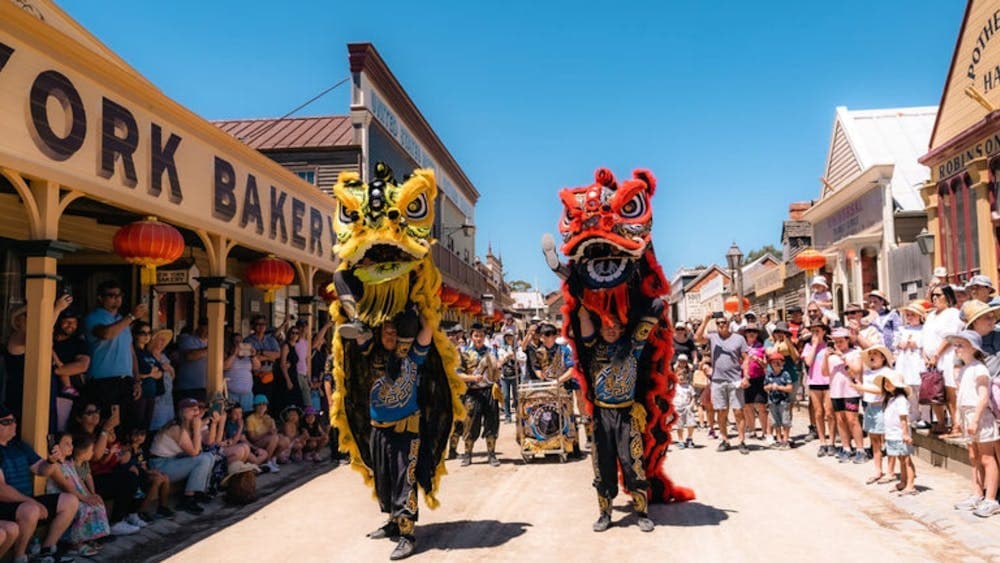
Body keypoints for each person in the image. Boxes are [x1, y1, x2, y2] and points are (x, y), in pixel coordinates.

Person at [359, 308, 435, 560]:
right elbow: (357, 331)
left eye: (395, 331)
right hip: (378, 429)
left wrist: (421, 303)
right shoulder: (372, 353)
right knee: (384, 480)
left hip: (406, 430)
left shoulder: (413, 356)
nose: (390, 335)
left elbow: (427, 330)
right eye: (386, 331)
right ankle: (393, 522)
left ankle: (407, 535)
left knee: (405, 480)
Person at [576, 304, 656, 533]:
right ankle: (605, 514)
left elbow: (653, 314)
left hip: (627, 414)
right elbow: (583, 322)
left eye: (616, 326)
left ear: (622, 329)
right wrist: (581, 305)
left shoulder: (633, 347)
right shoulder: (592, 348)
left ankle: (641, 512)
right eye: (607, 326)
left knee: (633, 462)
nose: (611, 330)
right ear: (600, 329)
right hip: (602, 415)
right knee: (602, 465)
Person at [0, 404, 79, 563]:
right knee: (31, 509)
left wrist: (51, 461)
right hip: (6, 504)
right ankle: (20, 557)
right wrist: (31, 501)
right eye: (7, 422)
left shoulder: (20, 446)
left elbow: (41, 470)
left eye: (14, 420)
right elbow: (1, 490)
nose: (14, 424)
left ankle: (47, 549)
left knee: (70, 501)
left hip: (26, 503)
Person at [949, 331, 999, 517]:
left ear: (973, 347)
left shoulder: (979, 368)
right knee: (974, 456)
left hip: (979, 415)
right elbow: (959, 395)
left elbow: (983, 396)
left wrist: (976, 418)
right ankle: (977, 493)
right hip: (966, 414)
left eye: (961, 345)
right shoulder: (964, 369)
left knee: (987, 457)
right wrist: (957, 417)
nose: (956, 349)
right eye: (956, 345)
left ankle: (991, 498)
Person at [84, 280, 145, 428]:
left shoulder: (122, 320)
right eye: (111, 295)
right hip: (103, 380)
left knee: (127, 425)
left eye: (119, 295)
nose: (116, 299)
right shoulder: (93, 317)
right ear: (100, 298)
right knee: (107, 424)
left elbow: (131, 352)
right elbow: (106, 334)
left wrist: (137, 380)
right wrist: (131, 317)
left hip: (125, 379)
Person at [148, 398, 216, 514]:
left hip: (171, 461)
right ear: (182, 412)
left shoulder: (187, 426)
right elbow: (195, 452)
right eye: (192, 410)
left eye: (197, 410)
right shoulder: (176, 427)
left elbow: (199, 449)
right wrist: (197, 430)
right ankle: (187, 499)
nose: (196, 413)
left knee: (209, 456)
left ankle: (198, 492)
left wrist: (199, 428)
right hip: (159, 465)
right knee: (203, 459)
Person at [45, 433, 110, 556]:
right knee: (83, 508)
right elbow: (66, 487)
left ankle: (87, 538)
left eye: (71, 444)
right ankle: (75, 544)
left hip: (76, 495)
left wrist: (90, 494)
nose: (71, 447)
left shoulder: (69, 463)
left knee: (97, 504)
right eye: (67, 444)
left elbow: (79, 480)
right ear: (56, 447)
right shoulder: (55, 466)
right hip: (63, 497)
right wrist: (84, 498)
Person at [695, 312, 749, 455]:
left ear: (728, 323)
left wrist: (746, 376)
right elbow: (697, 338)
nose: (721, 325)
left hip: (735, 380)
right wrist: (706, 320)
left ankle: (741, 440)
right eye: (718, 323)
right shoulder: (713, 338)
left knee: (738, 411)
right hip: (718, 381)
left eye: (723, 322)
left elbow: (746, 358)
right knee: (721, 411)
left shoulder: (738, 339)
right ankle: (724, 440)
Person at [456, 323, 502, 467]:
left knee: (492, 422)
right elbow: (458, 374)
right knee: (470, 423)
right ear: (471, 336)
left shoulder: (491, 352)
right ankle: (468, 454)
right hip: (473, 393)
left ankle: (492, 454)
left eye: (481, 335)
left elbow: (497, 370)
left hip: (489, 391)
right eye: (476, 335)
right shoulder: (464, 354)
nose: (479, 338)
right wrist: (472, 378)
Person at [923, 285, 963, 435]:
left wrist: (936, 355)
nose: (935, 298)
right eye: (933, 295)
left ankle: (956, 424)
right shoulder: (931, 315)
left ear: (947, 296)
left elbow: (950, 337)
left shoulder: (953, 313)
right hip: (931, 360)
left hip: (947, 356)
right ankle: (940, 422)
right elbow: (925, 337)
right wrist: (925, 354)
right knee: (933, 391)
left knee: (949, 390)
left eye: (938, 295)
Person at [855, 346, 895, 485]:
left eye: (875, 354)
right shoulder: (867, 373)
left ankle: (890, 471)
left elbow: (882, 390)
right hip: (870, 407)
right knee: (875, 441)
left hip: (882, 408)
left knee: (888, 440)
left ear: (883, 357)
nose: (872, 356)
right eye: (870, 354)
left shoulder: (887, 372)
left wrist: (861, 388)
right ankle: (878, 470)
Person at [825, 328, 865, 464]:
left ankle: (860, 449)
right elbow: (825, 373)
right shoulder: (831, 357)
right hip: (836, 391)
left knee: (852, 419)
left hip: (851, 391)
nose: (838, 344)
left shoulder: (856, 353)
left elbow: (857, 370)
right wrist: (826, 357)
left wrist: (843, 357)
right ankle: (846, 447)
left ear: (847, 340)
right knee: (840, 420)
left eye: (841, 341)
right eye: (836, 342)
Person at [877, 371, 916, 496]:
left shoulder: (900, 399)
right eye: (885, 382)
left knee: (907, 460)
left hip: (900, 434)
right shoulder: (890, 399)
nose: (887, 384)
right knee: (901, 459)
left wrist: (905, 434)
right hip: (892, 434)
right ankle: (903, 481)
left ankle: (911, 485)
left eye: (890, 382)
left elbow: (903, 418)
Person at [51, 309, 90, 433]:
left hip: (69, 395)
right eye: (66, 322)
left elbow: (82, 365)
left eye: (73, 322)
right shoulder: (49, 339)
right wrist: (65, 370)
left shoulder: (78, 343)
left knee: (63, 429)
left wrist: (58, 371)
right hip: (46, 389)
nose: (70, 325)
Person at [120, 428, 173, 520]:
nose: (139, 437)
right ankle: (140, 511)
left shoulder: (140, 450)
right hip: (132, 476)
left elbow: (143, 466)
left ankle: (162, 507)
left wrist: (152, 472)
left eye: (142, 435)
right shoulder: (126, 448)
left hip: (142, 474)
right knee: (157, 480)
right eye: (136, 434)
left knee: (164, 477)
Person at [803, 321, 835, 457]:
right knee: (818, 412)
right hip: (814, 381)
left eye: (817, 330)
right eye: (813, 330)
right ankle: (822, 442)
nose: (815, 333)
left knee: (829, 412)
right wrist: (815, 345)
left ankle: (832, 442)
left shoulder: (829, 346)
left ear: (824, 331)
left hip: (828, 382)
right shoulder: (808, 346)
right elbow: (808, 362)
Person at [894, 302, 927, 428]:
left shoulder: (924, 329)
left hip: (917, 361)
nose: (910, 317)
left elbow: (924, 344)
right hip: (905, 362)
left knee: (921, 390)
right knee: (909, 390)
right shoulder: (902, 329)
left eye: (913, 314)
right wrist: (900, 344)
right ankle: (914, 414)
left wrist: (915, 344)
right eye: (908, 315)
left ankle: (925, 417)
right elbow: (895, 343)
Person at [132, 322, 163, 432]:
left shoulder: (148, 353)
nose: (146, 336)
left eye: (149, 333)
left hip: (151, 393)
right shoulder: (133, 352)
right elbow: (132, 373)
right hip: (139, 393)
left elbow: (160, 373)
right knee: (136, 425)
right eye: (143, 333)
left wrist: (150, 374)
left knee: (146, 426)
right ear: (135, 335)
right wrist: (150, 374)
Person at [740, 325, 768, 441]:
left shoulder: (761, 347)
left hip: (759, 378)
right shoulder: (741, 348)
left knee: (761, 406)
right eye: (749, 331)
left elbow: (766, 365)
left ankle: (765, 432)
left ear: (757, 334)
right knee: (747, 406)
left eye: (754, 332)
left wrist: (760, 361)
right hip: (746, 378)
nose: (751, 333)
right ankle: (752, 430)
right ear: (745, 334)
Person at [244, 315, 281, 401]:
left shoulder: (271, 340)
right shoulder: (248, 340)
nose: (261, 326)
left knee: (269, 401)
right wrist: (269, 357)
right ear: (253, 326)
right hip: (255, 375)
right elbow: (252, 358)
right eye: (258, 324)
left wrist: (261, 352)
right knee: (257, 400)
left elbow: (278, 355)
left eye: (263, 324)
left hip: (270, 374)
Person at [245, 395, 285, 472]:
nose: (262, 406)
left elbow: (274, 432)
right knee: (274, 438)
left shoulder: (267, 417)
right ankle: (267, 462)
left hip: (268, 441)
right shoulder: (250, 419)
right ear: (255, 406)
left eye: (264, 404)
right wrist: (267, 433)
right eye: (259, 404)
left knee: (285, 440)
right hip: (256, 444)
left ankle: (273, 458)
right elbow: (252, 438)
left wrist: (272, 423)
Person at [763, 352, 793, 449]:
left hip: (783, 401)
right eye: (774, 362)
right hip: (772, 401)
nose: (776, 364)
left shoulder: (785, 374)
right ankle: (779, 438)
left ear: (782, 363)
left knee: (785, 421)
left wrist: (779, 388)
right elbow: (765, 387)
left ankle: (786, 439)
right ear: (770, 364)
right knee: (775, 421)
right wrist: (770, 387)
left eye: (778, 362)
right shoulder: (769, 375)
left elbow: (789, 388)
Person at [148, 328, 176, 431]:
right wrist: (161, 368)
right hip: (156, 398)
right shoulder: (148, 356)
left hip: (168, 398)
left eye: (164, 340)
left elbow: (172, 377)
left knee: (168, 427)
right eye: (160, 339)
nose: (163, 342)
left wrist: (171, 370)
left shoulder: (164, 356)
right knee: (156, 426)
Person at [224, 330, 259, 413]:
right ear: (231, 343)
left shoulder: (248, 356)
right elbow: (225, 367)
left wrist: (253, 356)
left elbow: (257, 367)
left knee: (247, 416)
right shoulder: (227, 355)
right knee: (232, 416)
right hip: (232, 394)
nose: (239, 344)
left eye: (241, 341)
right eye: (236, 342)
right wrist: (234, 354)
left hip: (247, 394)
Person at [174, 324, 208, 404]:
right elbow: (189, 356)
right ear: (199, 328)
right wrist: (210, 349)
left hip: (204, 386)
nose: (207, 331)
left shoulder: (210, 342)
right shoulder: (187, 339)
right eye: (205, 328)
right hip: (188, 387)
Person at [496, 330, 519, 423]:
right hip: (504, 376)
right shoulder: (501, 349)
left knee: (516, 396)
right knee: (505, 396)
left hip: (515, 375)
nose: (509, 338)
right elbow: (499, 363)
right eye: (507, 337)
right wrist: (507, 357)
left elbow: (521, 359)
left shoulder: (517, 348)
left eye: (511, 336)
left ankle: (519, 414)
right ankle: (507, 416)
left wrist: (513, 356)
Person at [673, 370, 696, 449]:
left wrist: (691, 405)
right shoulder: (674, 386)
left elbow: (693, 397)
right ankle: (680, 440)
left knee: (691, 424)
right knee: (679, 425)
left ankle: (689, 438)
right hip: (677, 408)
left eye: (683, 375)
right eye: (679, 375)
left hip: (687, 408)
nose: (681, 377)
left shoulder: (689, 386)